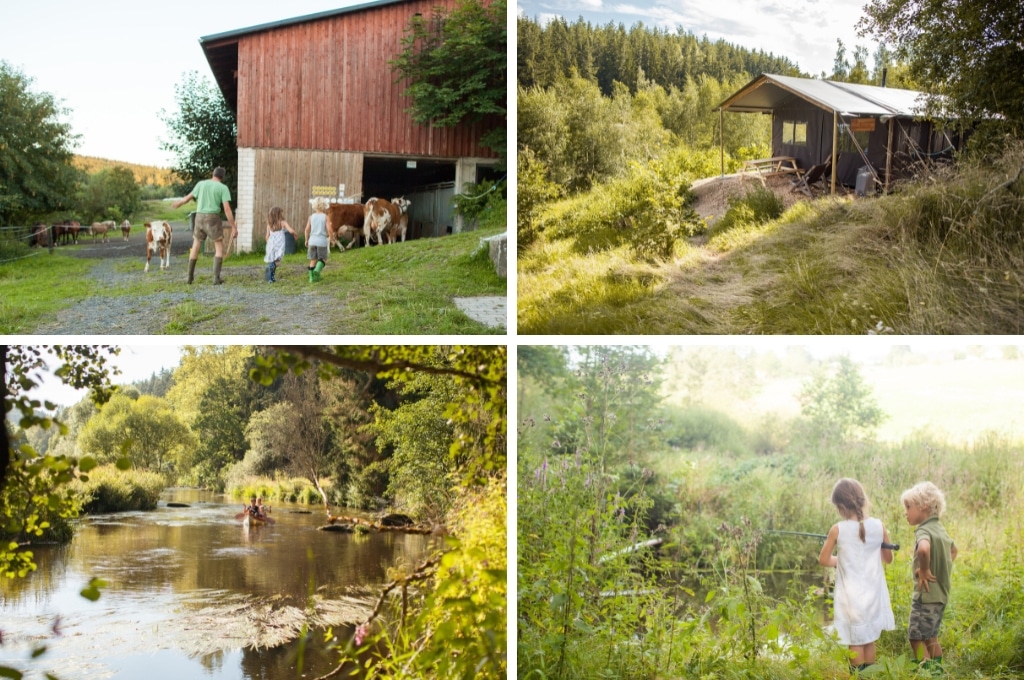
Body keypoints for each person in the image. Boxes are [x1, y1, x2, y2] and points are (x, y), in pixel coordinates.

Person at [818, 478, 895, 673]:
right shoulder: (879, 525)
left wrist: (842, 560)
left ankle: (857, 677)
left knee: (855, 641)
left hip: (850, 597)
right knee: (868, 638)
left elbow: (824, 560)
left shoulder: (837, 529)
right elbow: (888, 558)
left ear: (841, 506)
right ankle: (869, 676)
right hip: (873, 594)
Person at [901, 481, 957, 674]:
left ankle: (924, 673)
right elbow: (953, 550)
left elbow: (924, 549)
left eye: (908, 507)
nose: (905, 512)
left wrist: (925, 570)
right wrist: (943, 568)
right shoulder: (940, 529)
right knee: (930, 636)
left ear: (923, 506)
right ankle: (937, 672)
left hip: (925, 596)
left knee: (915, 637)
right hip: (940, 596)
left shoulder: (923, 531)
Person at [172, 166, 237, 285]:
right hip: (212, 218)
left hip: (199, 217)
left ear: (213, 174)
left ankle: (189, 278)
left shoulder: (201, 184)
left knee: (196, 245)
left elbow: (187, 198)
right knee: (218, 247)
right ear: (222, 177)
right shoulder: (222, 188)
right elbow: (227, 209)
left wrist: (178, 204)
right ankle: (216, 279)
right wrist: (233, 226)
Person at [264, 207, 296, 283]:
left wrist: (268, 244)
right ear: (278, 214)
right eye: (281, 213)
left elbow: (267, 236)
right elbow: (291, 230)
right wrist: (295, 234)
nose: (282, 214)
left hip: (271, 244)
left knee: (272, 261)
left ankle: (271, 278)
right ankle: (270, 271)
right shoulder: (283, 223)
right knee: (277, 262)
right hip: (279, 245)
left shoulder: (269, 225)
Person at [304, 197, 329, 282]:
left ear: (314, 206)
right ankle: (316, 271)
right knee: (323, 259)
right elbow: (329, 229)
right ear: (324, 206)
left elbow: (307, 230)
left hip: (312, 241)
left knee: (313, 260)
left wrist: (306, 240)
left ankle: (311, 278)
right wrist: (332, 239)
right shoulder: (325, 217)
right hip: (321, 242)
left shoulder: (311, 217)